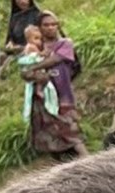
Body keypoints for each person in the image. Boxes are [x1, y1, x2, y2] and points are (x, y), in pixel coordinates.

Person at [18, 26, 86, 160]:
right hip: (44, 96)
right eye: (35, 38)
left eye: (39, 38)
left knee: (67, 126)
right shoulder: (32, 49)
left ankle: (82, 155)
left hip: (61, 94)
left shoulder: (63, 45)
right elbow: (26, 71)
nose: (38, 41)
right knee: (49, 127)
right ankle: (62, 157)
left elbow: (56, 61)